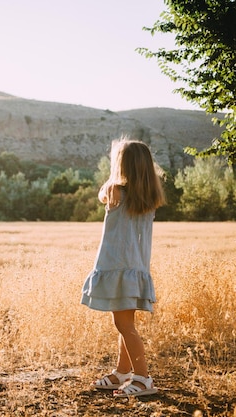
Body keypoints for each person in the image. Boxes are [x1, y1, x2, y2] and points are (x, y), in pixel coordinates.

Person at [81, 137, 166, 397]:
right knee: (125, 322)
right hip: (133, 269)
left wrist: (115, 168)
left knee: (124, 325)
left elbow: (100, 194)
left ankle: (143, 379)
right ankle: (122, 372)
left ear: (122, 166)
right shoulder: (148, 198)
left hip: (118, 267)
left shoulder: (115, 190)